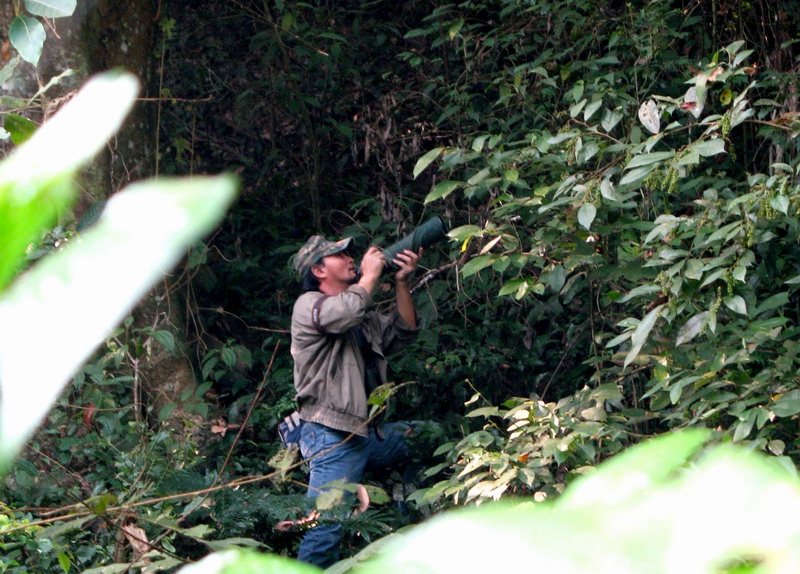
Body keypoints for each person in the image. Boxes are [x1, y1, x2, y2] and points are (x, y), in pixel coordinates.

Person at [289, 234, 424, 568]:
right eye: (340, 256)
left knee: (422, 437)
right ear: (318, 270)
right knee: (324, 529)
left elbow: (403, 330)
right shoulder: (310, 306)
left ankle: (405, 521)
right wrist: (370, 275)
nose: (351, 259)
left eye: (351, 254)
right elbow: (344, 312)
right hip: (332, 436)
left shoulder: (357, 311)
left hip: (364, 435)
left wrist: (402, 283)